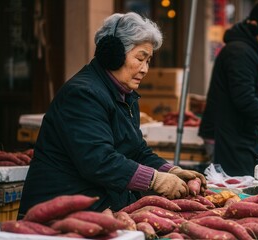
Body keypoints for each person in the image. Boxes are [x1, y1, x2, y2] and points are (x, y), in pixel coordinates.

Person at [18, 12, 206, 218]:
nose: (145, 69)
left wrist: (170, 171)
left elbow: (137, 151)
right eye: (140, 58)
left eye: (148, 60)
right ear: (113, 54)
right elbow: (98, 160)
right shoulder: (83, 94)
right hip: (58, 214)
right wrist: (154, 180)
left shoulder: (125, 96)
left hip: (101, 206)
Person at [198, 1, 258, 177]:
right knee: (234, 190)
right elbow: (244, 97)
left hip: (240, 134)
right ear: (254, 25)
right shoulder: (240, 52)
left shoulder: (252, 50)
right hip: (229, 136)